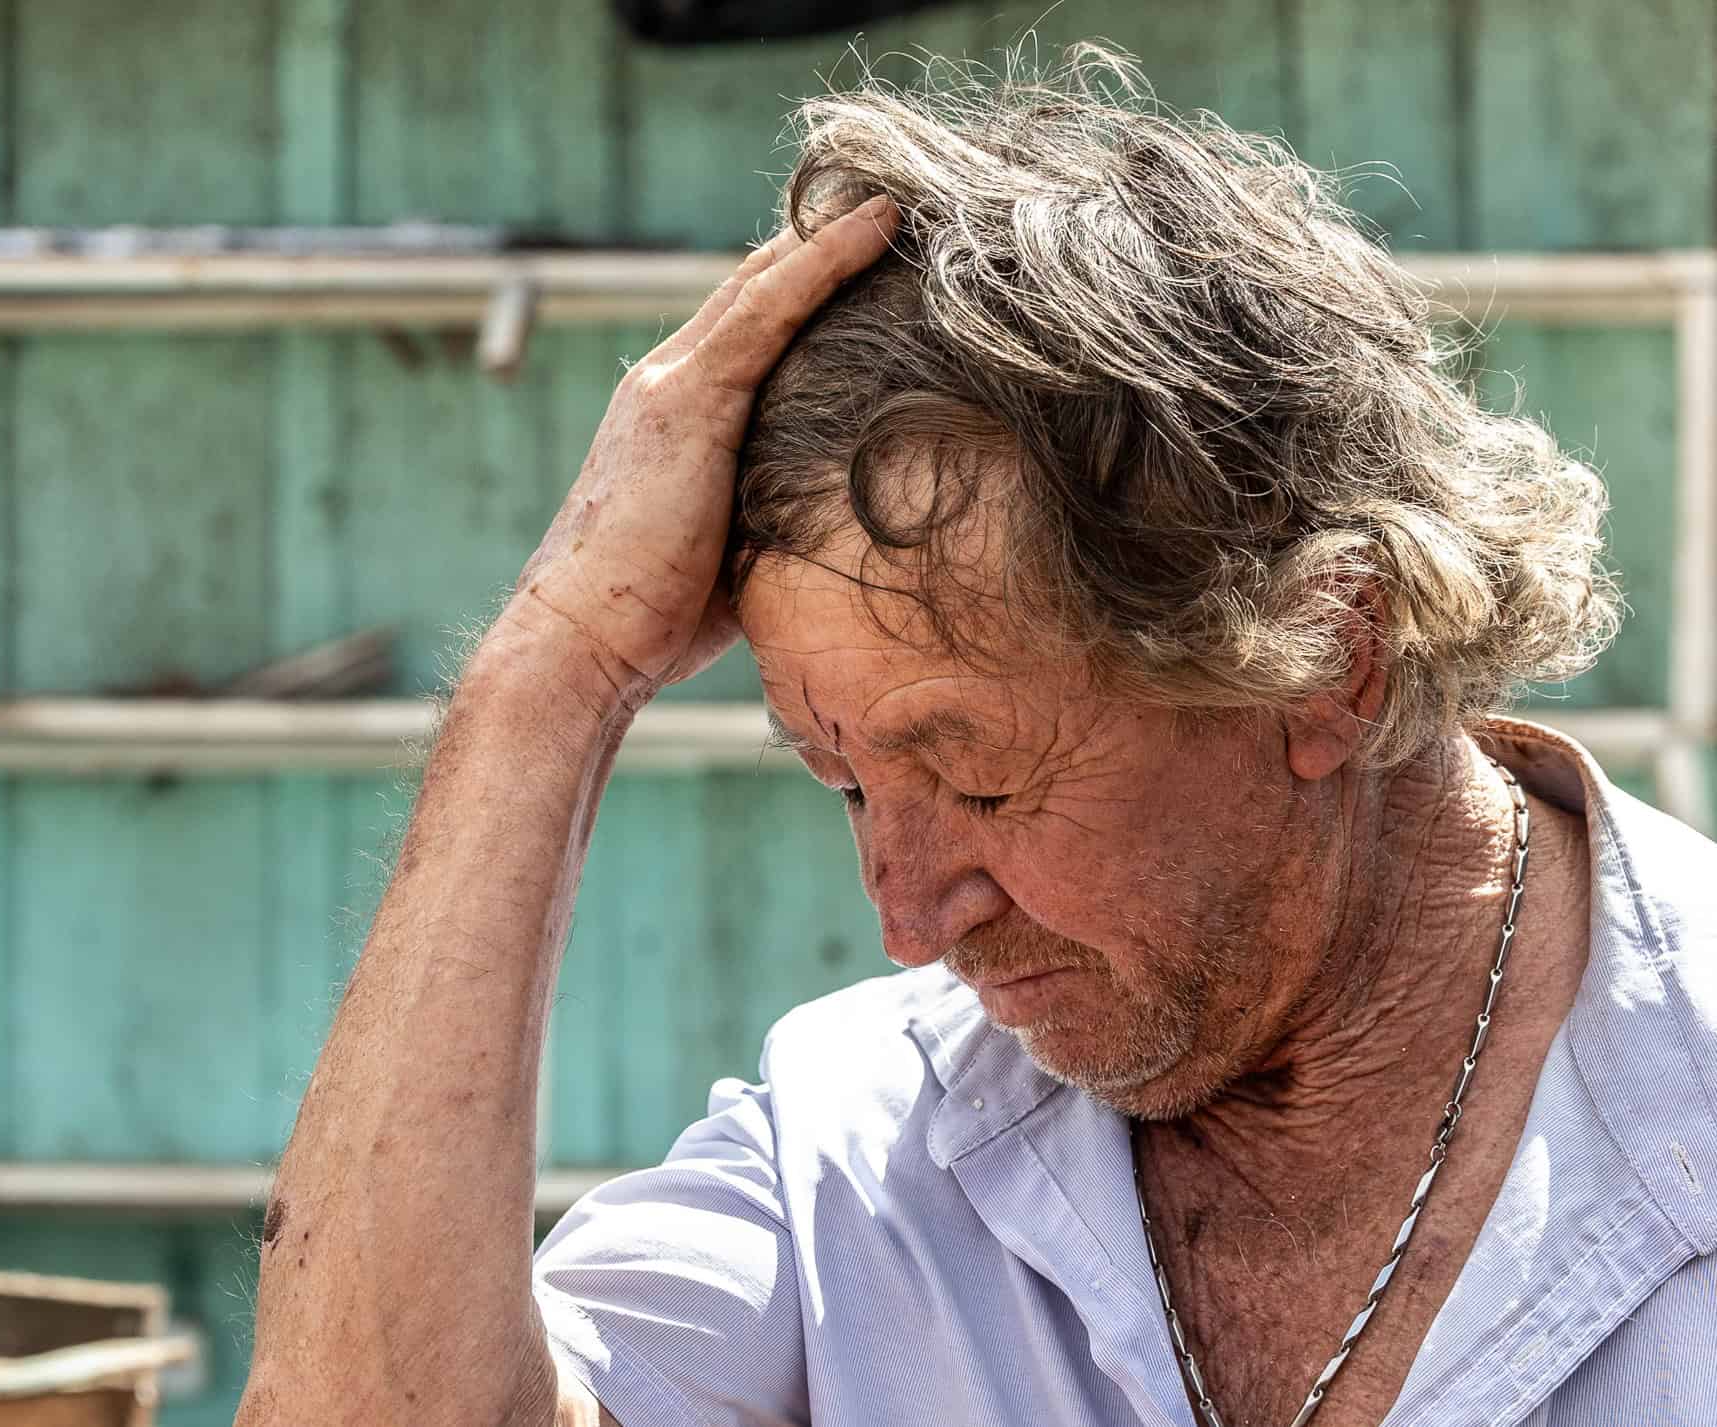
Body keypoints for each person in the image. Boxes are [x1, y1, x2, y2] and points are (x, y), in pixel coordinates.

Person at [239, 49, 1717, 1427]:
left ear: (1333, 651)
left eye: (979, 777)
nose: (906, 916)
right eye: (844, 789)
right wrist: (548, 676)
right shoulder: (857, 1148)